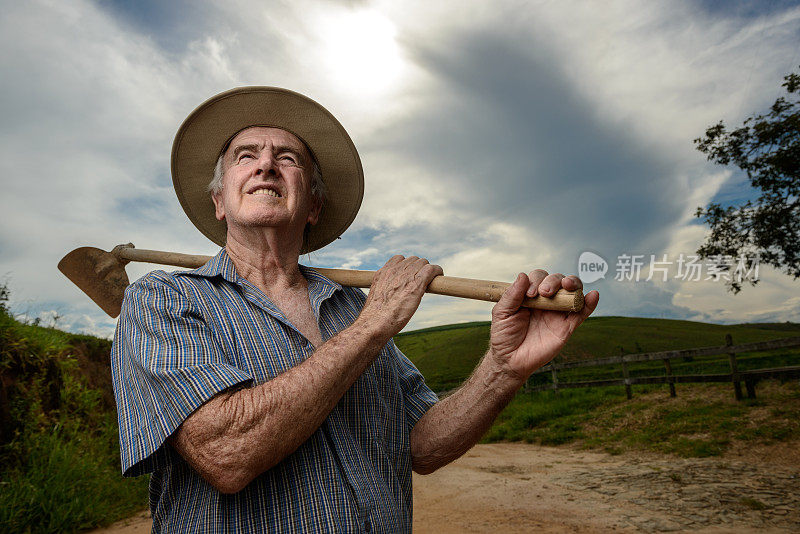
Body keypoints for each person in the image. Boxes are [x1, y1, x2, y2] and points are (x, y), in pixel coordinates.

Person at [111, 87, 599, 533]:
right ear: (219, 201)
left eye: (287, 157)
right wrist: (375, 326)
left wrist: (502, 367)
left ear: (314, 208)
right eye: (246, 156)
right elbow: (225, 454)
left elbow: (422, 446)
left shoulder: (350, 307)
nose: (266, 166)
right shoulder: (161, 300)